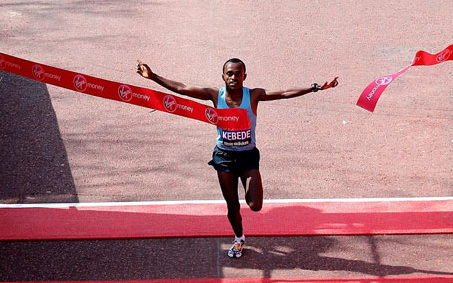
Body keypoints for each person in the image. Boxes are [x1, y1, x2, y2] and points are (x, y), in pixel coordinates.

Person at [136, 58, 338, 258]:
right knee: (232, 206)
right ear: (223, 76)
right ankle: (239, 237)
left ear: (244, 76)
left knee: (255, 205)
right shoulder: (215, 94)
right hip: (224, 156)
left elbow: (284, 93)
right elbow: (181, 88)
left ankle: (242, 225)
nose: (233, 77)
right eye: (229, 73)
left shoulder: (254, 95)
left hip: (248, 157)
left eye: (238, 73)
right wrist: (152, 76)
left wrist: (315, 88)